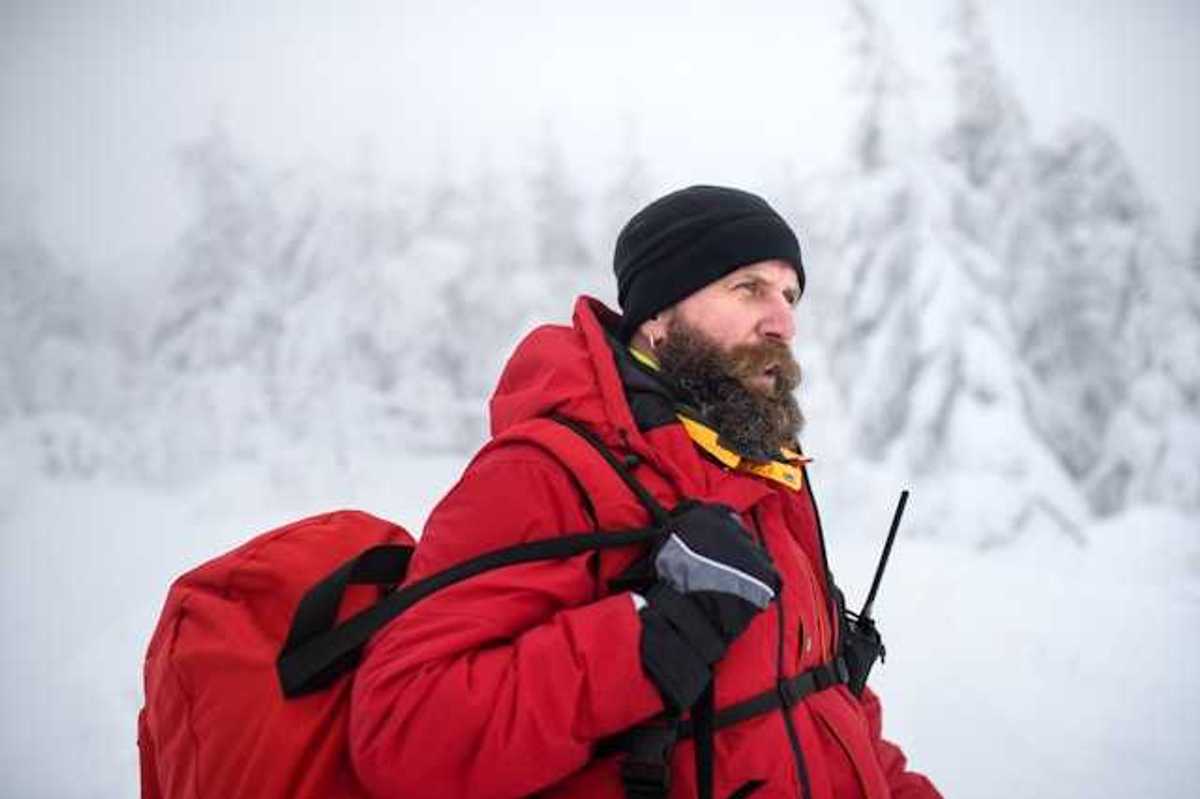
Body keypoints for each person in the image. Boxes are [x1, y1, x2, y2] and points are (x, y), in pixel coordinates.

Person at [349, 185, 941, 798]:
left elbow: (824, 702)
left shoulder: (764, 476)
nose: (784, 322)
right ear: (657, 316)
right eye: (749, 289)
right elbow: (404, 736)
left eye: (790, 296)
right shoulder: (546, 472)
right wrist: (655, 637)